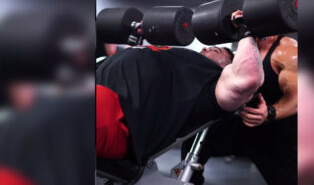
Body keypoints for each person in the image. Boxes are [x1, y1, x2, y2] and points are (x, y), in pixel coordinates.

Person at [96, 10, 264, 169]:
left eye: (216, 50)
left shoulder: (211, 86)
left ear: (228, 67)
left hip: (117, 120)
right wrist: (141, 33)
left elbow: (247, 79)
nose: (206, 48)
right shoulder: (180, 60)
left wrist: (245, 30)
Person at [182, 35, 298, 185]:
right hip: (246, 127)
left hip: (279, 134)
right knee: (198, 133)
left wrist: (270, 112)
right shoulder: (246, 46)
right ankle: (191, 180)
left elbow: (299, 98)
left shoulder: (288, 50)